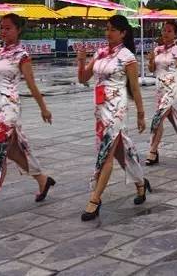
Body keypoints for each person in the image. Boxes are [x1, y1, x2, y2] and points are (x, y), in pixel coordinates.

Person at [0, 14, 55, 218]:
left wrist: (43, 107)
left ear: (18, 30)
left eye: (8, 28)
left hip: (9, 109)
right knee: (14, 152)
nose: (5, 32)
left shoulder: (21, 55)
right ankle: (43, 179)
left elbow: (32, 83)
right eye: (2, 28)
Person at [76, 15, 150, 221]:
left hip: (117, 109)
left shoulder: (127, 57)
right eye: (106, 29)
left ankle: (95, 199)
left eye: (112, 30)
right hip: (100, 109)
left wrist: (141, 114)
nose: (108, 33)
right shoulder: (100, 53)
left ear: (123, 33)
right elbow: (83, 79)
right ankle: (140, 182)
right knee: (120, 151)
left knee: (106, 152)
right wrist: (81, 61)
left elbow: (135, 88)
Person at [145, 21, 177, 165]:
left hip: (172, 88)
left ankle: (153, 151)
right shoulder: (157, 50)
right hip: (160, 89)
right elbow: (152, 70)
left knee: (158, 119)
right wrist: (150, 61)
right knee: (173, 119)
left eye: (169, 31)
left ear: (175, 34)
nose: (165, 33)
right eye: (164, 31)